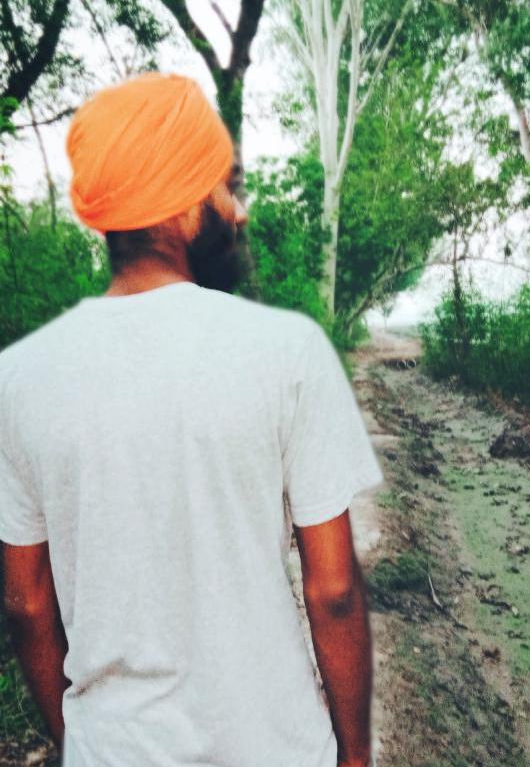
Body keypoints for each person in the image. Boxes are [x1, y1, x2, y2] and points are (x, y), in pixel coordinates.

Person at [0, 72, 384, 767]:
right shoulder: (288, 352)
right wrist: (355, 757)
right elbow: (332, 590)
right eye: (223, 189)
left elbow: (26, 602)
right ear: (179, 208)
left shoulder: (19, 379)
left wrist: (78, 741)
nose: (238, 213)